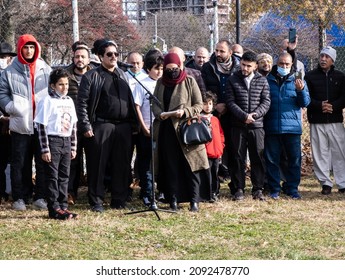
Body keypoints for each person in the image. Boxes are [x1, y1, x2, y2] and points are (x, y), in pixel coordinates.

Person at [77, 40, 139, 213]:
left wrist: (133, 125)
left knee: (122, 164)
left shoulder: (123, 74)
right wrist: (85, 125)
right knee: (97, 165)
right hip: (100, 126)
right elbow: (82, 103)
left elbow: (131, 101)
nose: (114, 57)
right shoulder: (91, 76)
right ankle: (96, 200)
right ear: (100, 56)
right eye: (109, 54)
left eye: (116, 54)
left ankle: (119, 199)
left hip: (123, 127)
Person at [152, 53, 209, 212]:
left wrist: (184, 112)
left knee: (191, 166)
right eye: (168, 69)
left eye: (175, 69)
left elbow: (199, 105)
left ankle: (194, 200)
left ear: (180, 66)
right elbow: (154, 103)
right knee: (171, 166)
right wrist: (159, 114)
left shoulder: (189, 81)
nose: (172, 72)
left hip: (186, 130)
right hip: (166, 131)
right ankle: (173, 199)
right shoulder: (160, 83)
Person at [0, 34, 52, 211]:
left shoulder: (45, 69)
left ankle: (41, 197)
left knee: (42, 162)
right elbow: (2, 93)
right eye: (25, 47)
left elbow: (52, 91)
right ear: (20, 49)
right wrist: (12, 107)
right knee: (19, 163)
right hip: (20, 124)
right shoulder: (10, 71)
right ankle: (19, 197)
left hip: (41, 124)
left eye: (32, 47)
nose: (29, 51)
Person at [264, 52, 310, 200]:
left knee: (294, 160)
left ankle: (292, 188)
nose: (284, 66)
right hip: (272, 126)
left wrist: (300, 90)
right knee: (272, 159)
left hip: (292, 128)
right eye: (281, 64)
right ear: (277, 64)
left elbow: (305, 103)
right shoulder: (268, 80)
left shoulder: (298, 80)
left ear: (291, 65)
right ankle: (274, 189)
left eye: (287, 64)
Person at [225, 51, 271, 201]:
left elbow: (266, 102)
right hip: (237, 125)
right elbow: (230, 102)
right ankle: (238, 188)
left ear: (255, 66)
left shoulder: (262, 81)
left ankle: (257, 189)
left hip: (257, 126)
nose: (244, 68)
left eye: (248, 66)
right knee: (238, 157)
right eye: (243, 65)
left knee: (258, 156)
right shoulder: (233, 79)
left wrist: (254, 115)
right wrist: (244, 116)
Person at [34, 68, 78, 220]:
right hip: (53, 141)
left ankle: (63, 206)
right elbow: (41, 126)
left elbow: (73, 126)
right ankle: (54, 208)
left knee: (64, 176)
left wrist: (73, 146)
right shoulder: (47, 101)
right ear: (52, 85)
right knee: (52, 176)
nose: (64, 87)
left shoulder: (69, 101)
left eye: (66, 84)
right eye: (60, 84)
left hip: (66, 141)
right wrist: (45, 149)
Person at [201, 39, 241, 191]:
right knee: (212, 150)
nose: (218, 53)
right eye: (216, 50)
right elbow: (203, 88)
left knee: (235, 150)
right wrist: (214, 105)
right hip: (213, 114)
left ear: (230, 52)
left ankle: (236, 186)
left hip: (234, 114)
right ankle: (212, 186)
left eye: (222, 51)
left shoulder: (238, 67)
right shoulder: (208, 67)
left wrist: (230, 105)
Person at [304, 46, 345, 195]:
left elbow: (344, 97)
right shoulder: (310, 76)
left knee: (340, 152)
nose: (323, 59)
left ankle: (342, 183)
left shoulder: (341, 76)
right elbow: (306, 97)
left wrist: (333, 106)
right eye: (321, 56)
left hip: (335, 120)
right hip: (317, 120)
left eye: (327, 57)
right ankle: (325, 183)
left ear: (332, 60)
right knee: (320, 153)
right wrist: (319, 105)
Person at [132, 50, 164, 206]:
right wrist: (143, 127)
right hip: (147, 128)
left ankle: (162, 191)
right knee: (146, 163)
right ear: (149, 68)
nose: (159, 72)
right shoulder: (142, 83)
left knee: (160, 162)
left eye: (161, 69)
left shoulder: (164, 83)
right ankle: (147, 194)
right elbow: (137, 106)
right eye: (156, 68)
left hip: (161, 128)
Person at [65, 44, 92, 204]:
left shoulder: (95, 74)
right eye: (77, 56)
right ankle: (70, 193)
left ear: (88, 59)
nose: (79, 59)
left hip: (89, 124)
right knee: (72, 160)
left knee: (92, 160)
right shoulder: (66, 75)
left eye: (83, 56)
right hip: (71, 126)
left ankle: (93, 193)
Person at [0, 42, 17, 203]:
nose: (4, 60)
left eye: (6, 57)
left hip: (16, 121)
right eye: (1, 57)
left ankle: (12, 190)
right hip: (2, 122)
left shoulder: (14, 74)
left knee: (14, 158)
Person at [200, 91, 225, 201]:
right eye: (205, 103)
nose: (207, 106)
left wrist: (221, 146)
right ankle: (206, 193)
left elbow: (220, 134)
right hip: (205, 152)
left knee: (215, 173)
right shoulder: (199, 119)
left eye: (210, 103)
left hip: (216, 152)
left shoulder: (215, 119)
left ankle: (215, 192)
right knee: (206, 173)